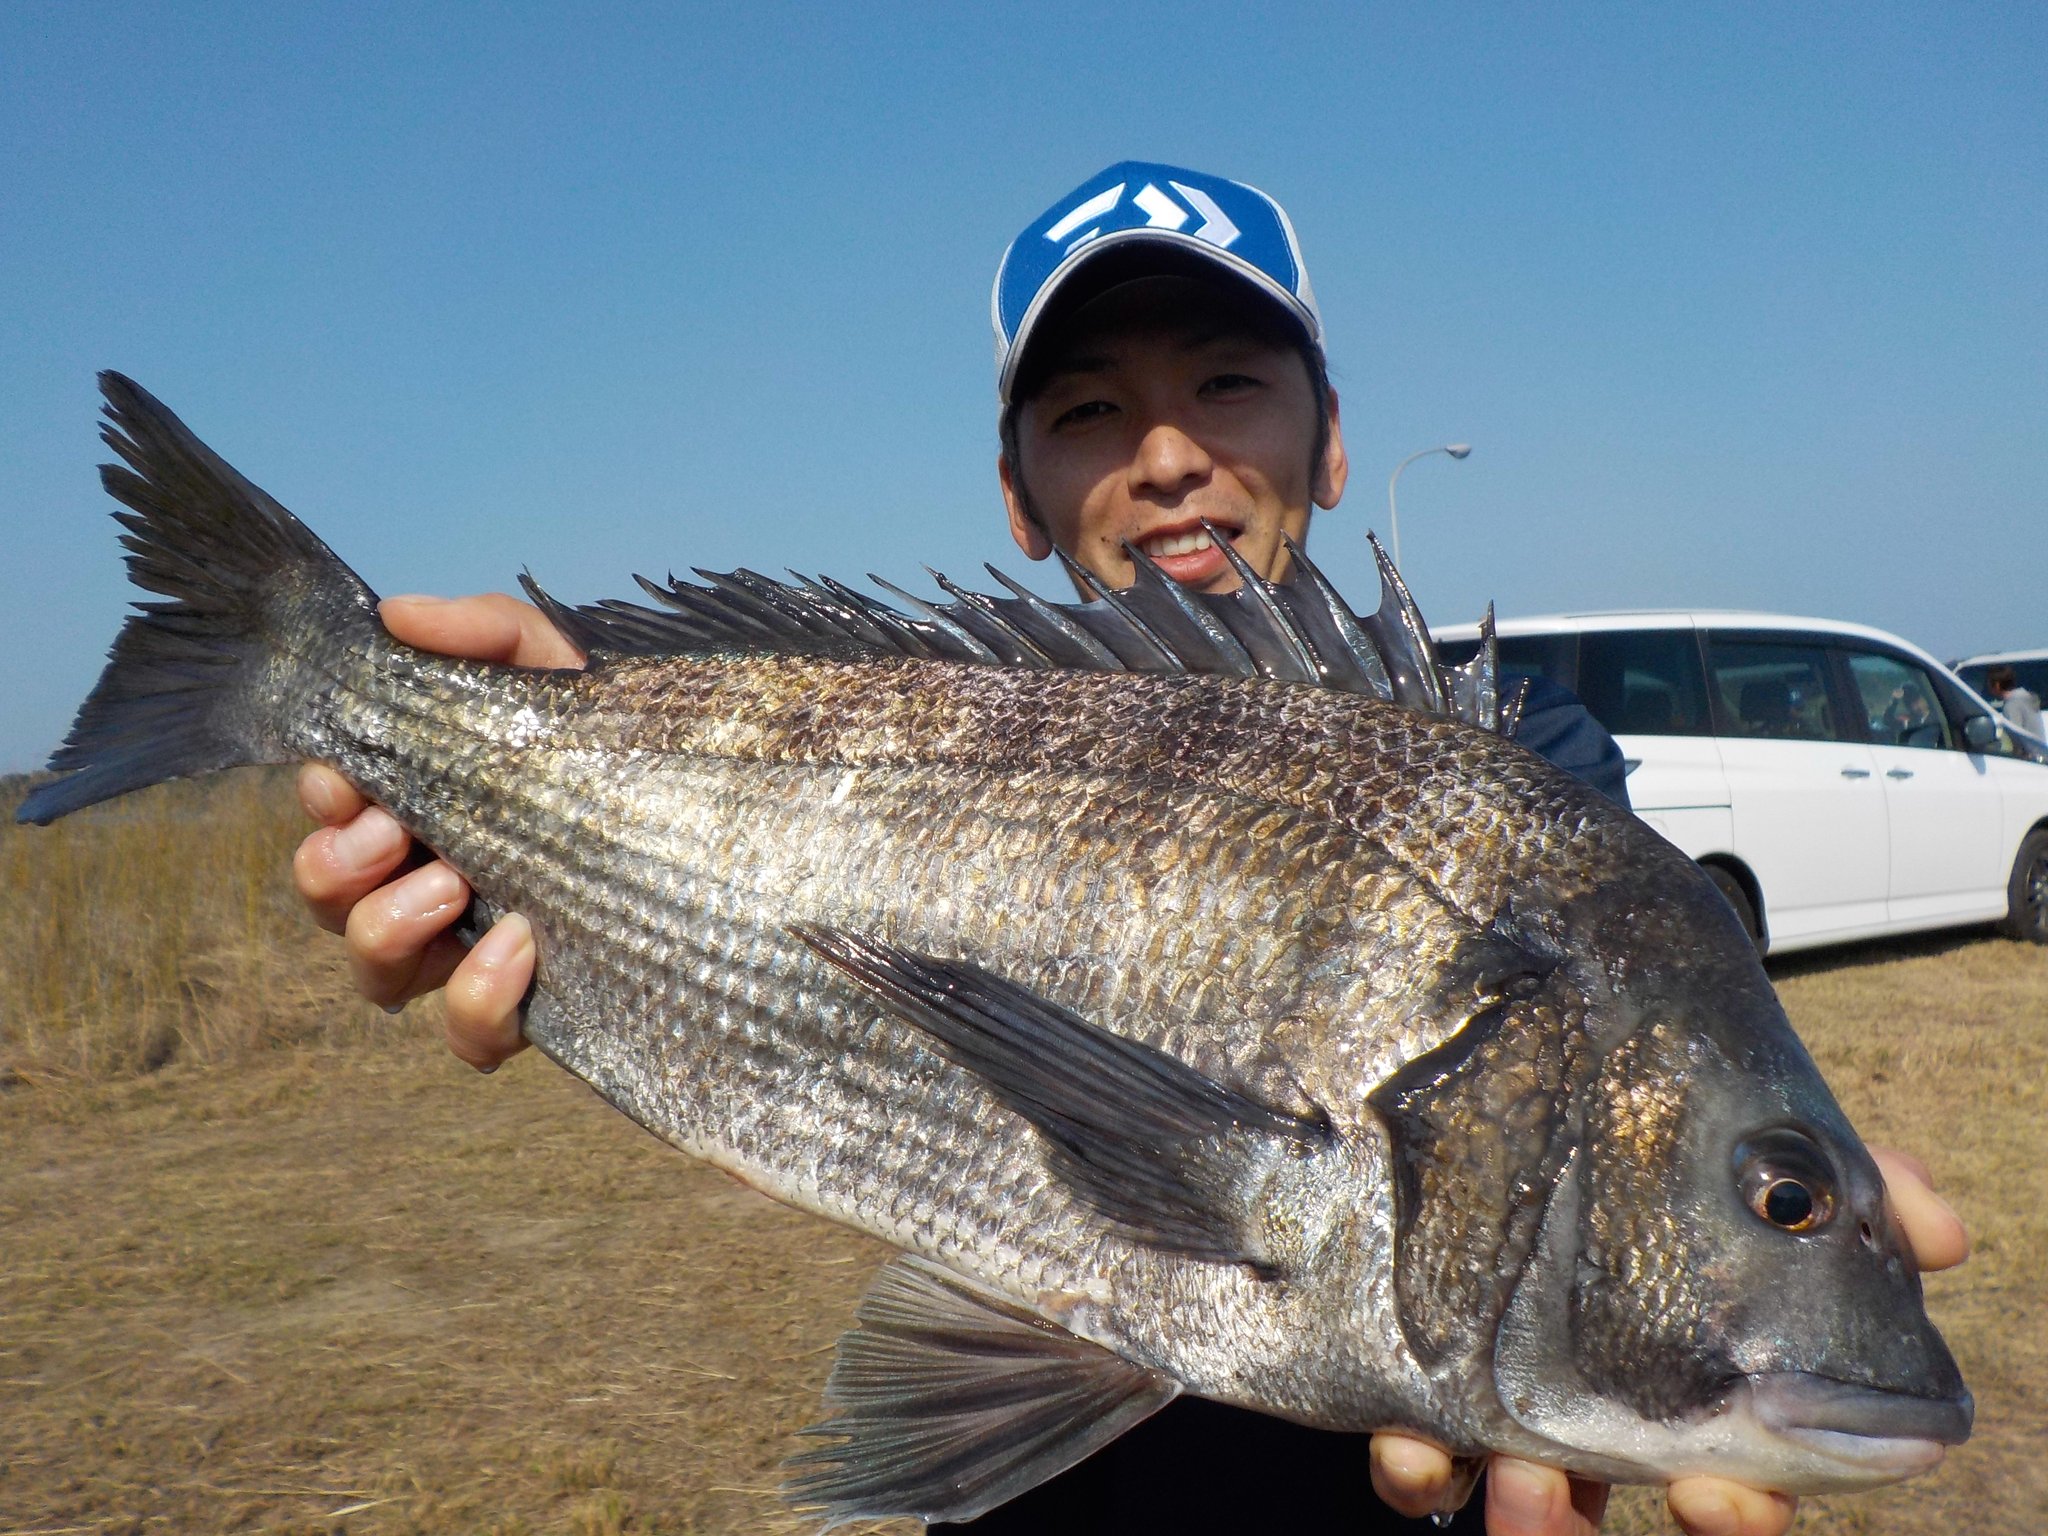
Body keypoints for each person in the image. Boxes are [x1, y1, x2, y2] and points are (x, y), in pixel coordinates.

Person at [292, 162, 1970, 1536]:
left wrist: (1765, 1211)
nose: (1167, 455)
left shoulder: (1535, 781)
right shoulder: (920, 721)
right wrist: (528, 767)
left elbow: (1651, 1036)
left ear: (1329, 438)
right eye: (1091, 408)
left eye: (1227, 384)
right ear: (1018, 498)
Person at [1987, 664, 2045, 739]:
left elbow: (2017, 737)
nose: (1988, 689)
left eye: (1988, 685)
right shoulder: (2025, 697)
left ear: (1997, 685)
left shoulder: (2012, 705)